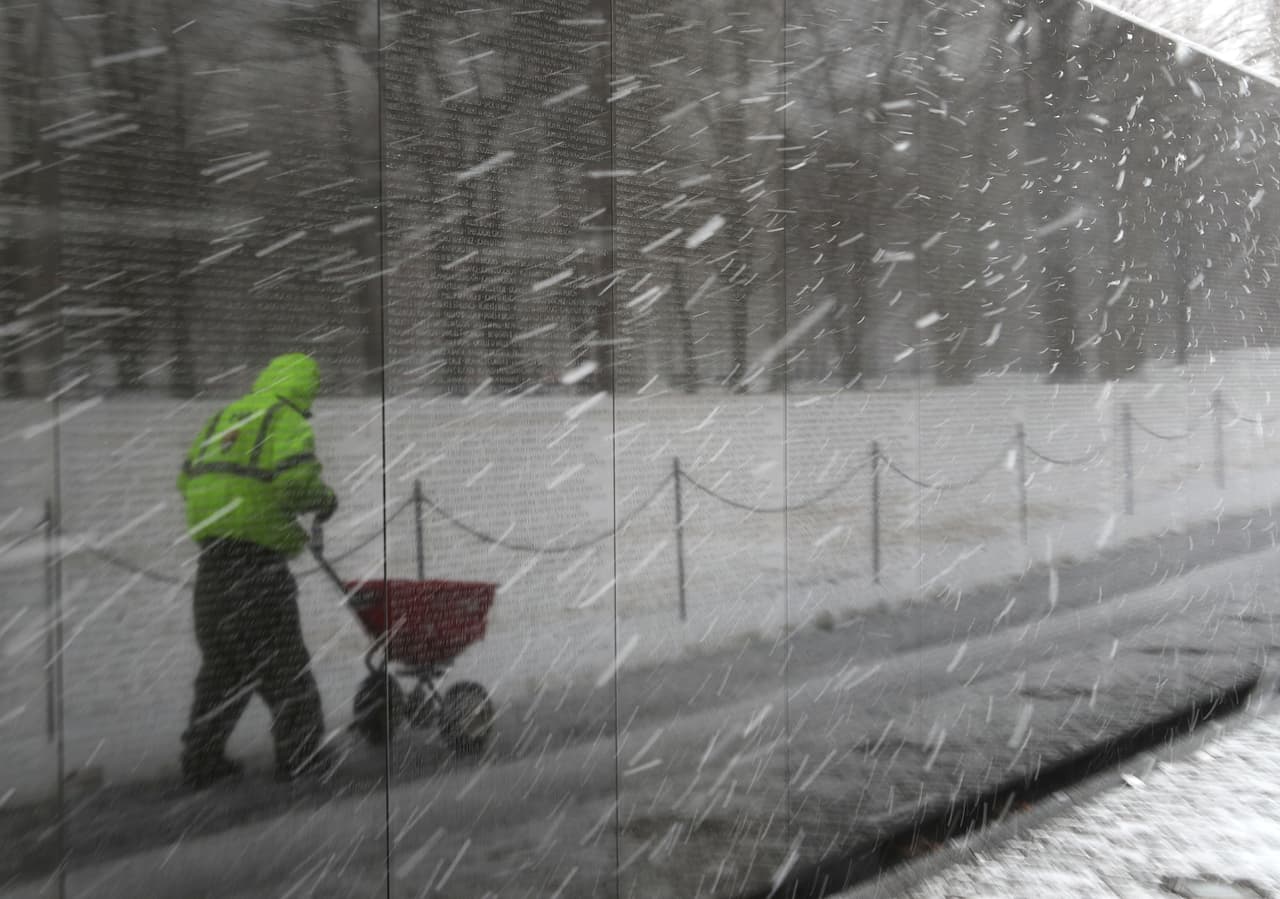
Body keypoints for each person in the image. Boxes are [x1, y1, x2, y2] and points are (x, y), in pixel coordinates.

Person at [177, 353, 339, 789]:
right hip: (257, 569)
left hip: (212, 567)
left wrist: (229, 510)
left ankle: (201, 760)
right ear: (304, 388)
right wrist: (323, 501)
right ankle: (303, 756)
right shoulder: (287, 421)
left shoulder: (224, 418)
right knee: (285, 666)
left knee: (223, 670)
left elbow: (186, 479)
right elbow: (295, 485)